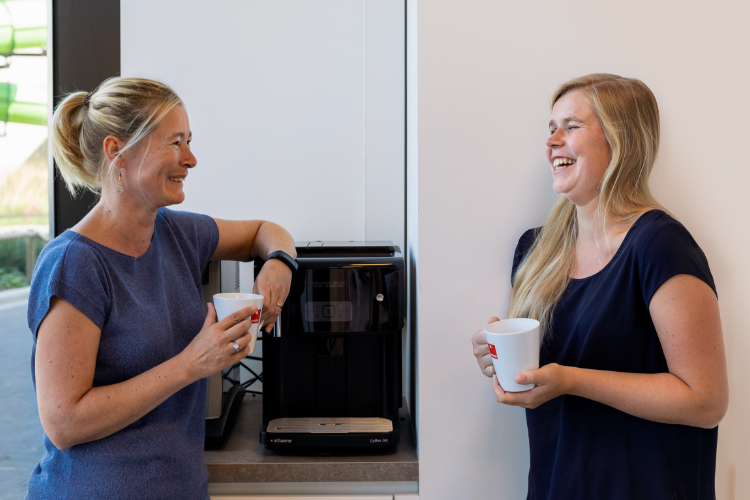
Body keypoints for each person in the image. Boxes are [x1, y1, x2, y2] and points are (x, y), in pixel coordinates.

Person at [26, 77, 297, 499]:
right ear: (117, 151)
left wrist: (280, 264)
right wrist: (191, 364)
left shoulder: (180, 234)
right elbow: (64, 424)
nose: (190, 159)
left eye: (188, 141)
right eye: (174, 143)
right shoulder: (75, 263)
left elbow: (266, 230)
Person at [471, 74, 728, 500]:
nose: (552, 141)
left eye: (571, 127)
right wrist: (498, 358)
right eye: (550, 128)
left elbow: (706, 401)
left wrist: (571, 380)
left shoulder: (660, 245)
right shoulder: (535, 250)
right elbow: (538, 374)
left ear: (621, 141)